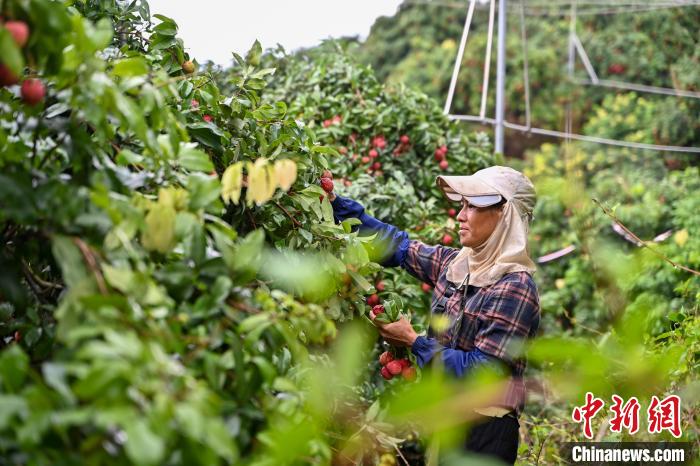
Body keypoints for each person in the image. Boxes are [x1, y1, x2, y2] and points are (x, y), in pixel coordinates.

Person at [329, 166, 540, 465]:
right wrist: (334, 203)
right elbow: (396, 246)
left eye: (472, 207)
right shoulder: (457, 265)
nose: (460, 216)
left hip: (485, 431)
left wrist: (414, 342)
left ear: (504, 216)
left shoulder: (514, 286)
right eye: (462, 205)